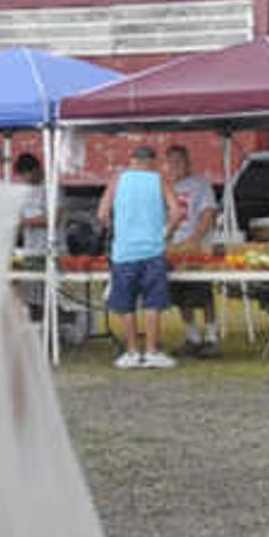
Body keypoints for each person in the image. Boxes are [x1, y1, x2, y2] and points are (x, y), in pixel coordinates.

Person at [104, 137, 174, 370]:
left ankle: (132, 352)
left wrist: (117, 230)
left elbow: (101, 214)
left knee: (126, 303)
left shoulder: (117, 180)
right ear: (152, 163)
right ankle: (152, 351)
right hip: (153, 250)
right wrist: (166, 233)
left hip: (124, 252)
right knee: (153, 303)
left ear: (133, 161)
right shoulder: (159, 179)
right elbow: (177, 211)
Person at [166, 142, 226, 356]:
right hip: (172, 248)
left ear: (188, 163)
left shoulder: (200, 185)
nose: (175, 166)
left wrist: (195, 239)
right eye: (171, 162)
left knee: (202, 293)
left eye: (179, 161)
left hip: (196, 248)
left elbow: (208, 213)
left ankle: (211, 337)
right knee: (180, 294)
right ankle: (192, 337)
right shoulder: (164, 186)